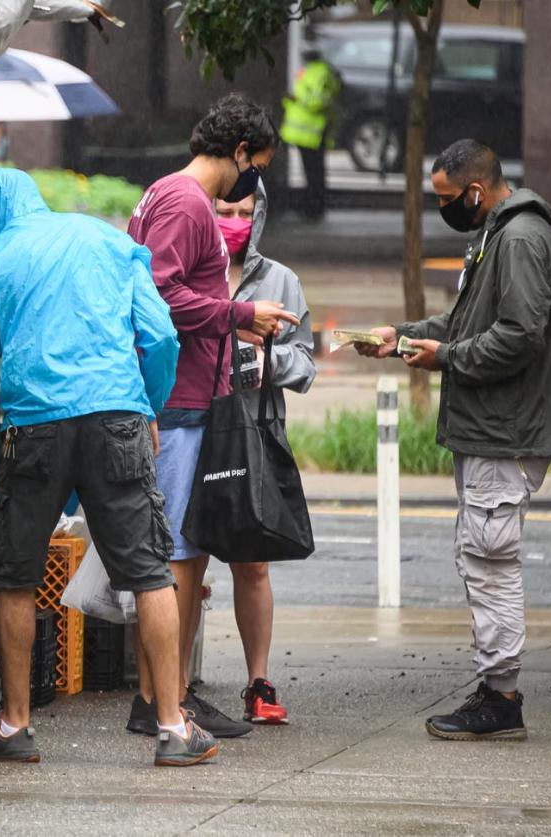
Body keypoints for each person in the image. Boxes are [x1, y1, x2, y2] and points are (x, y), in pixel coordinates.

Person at [0, 168, 220, 767]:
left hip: (33, 429)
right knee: (149, 570)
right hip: (118, 418)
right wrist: (149, 404)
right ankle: (173, 727)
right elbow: (161, 337)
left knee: (14, 575)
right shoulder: (111, 241)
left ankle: (14, 726)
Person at [356, 138, 551, 741]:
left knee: (489, 561)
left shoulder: (518, 238)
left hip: (504, 430)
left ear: (477, 191)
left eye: (448, 198)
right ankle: (496, 691)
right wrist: (402, 336)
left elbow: (519, 336)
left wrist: (446, 358)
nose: (444, 209)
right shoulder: (495, 235)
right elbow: (466, 324)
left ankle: (501, 699)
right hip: (492, 426)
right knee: (483, 557)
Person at [125, 93, 301, 741]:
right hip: (182, 399)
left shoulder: (167, 196)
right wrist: (237, 314)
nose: (255, 180)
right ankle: (160, 703)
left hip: (190, 392)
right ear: (237, 152)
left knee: (188, 553)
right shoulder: (183, 201)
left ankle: (167, 696)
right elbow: (160, 293)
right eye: (256, 165)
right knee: (174, 556)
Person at [215, 181, 316, 725]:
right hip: (194, 426)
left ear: (260, 215)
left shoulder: (280, 280)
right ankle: (175, 686)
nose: (234, 220)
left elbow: (306, 364)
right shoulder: (188, 270)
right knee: (182, 562)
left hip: (252, 433)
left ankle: (258, 682)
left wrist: (265, 364)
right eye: (223, 210)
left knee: (251, 562)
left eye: (244, 211)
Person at [280, 50, 340, 221]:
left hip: (312, 132)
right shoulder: (313, 70)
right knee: (312, 171)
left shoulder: (320, 73)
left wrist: (296, 99)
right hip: (307, 133)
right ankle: (312, 206)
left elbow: (318, 100)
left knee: (314, 172)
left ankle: (314, 207)